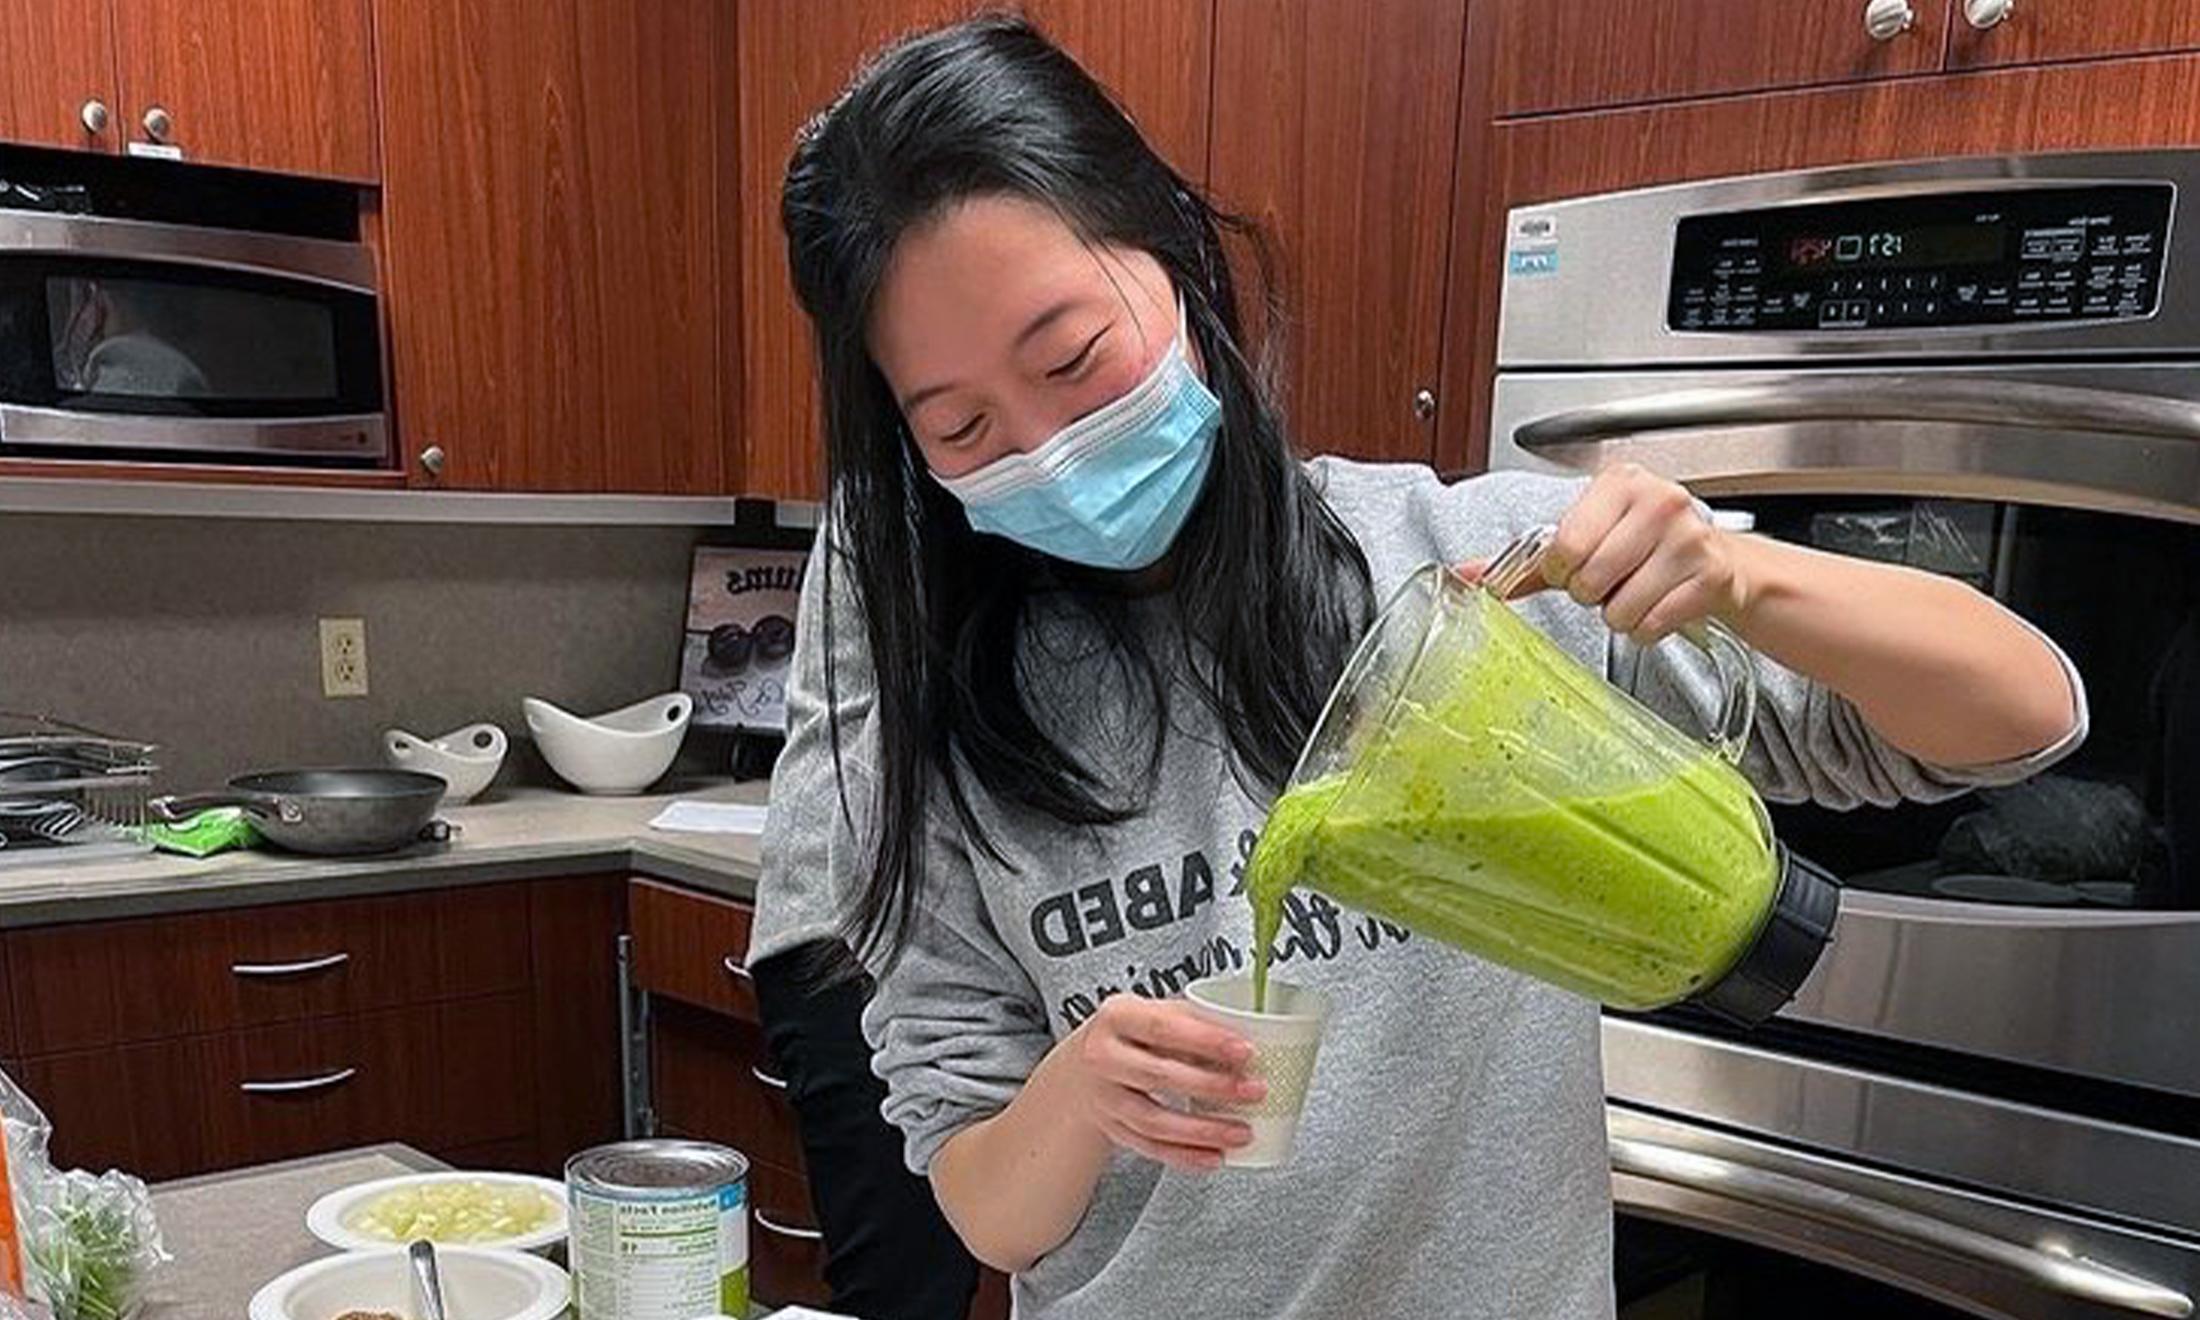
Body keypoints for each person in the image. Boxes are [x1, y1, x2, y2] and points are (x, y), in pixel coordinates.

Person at [762, 16, 2087, 1320]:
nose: (1046, 443)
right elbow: (977, 1195)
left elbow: (2022, 712)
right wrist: (1073, 1100)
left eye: (1072, 357)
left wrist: (1746, 577)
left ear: (1172, 256)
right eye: (964, 423)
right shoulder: (947, 718)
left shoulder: (1481, 582)